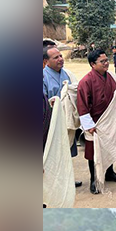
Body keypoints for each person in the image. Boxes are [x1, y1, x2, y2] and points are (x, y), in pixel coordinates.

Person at [76, 49, 116, 194]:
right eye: (102, 61)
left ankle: (109, 173)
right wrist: (89, 125)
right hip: (95, 123)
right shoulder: (86, 81)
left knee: (110, 146)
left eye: (107, 60)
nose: (106, 63)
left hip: (110, 120)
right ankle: (94, 179)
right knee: (93, 152)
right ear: (92, 64)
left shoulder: (110, 76)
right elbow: (82, 105)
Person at [42, 46, 81, 188]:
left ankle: (67, 179)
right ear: (46, 61)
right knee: (52, 152)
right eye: (56, 57)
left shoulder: (67, 74)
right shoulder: (43, 76)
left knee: (66, 151)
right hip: (51, 122)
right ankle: (53, 183)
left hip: (67, 120)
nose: (60, 59)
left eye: (60, 56)